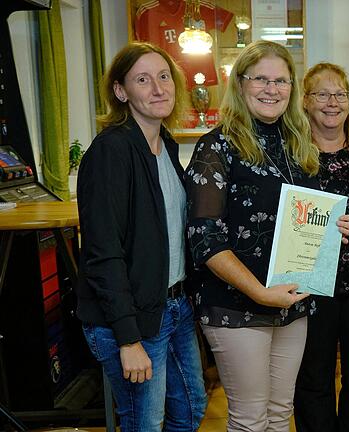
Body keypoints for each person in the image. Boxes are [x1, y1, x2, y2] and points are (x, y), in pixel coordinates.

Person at [184, 41, 349, 431]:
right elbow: (205, 239)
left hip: (292, 300)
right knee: (249, 419)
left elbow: (307, 215)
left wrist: (332, 229)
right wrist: (260, 293)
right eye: (261, 79)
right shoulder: (217, 146)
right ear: (239, 83)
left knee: (280, 413)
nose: (271, 89)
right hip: (236, 305)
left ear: (292, 88)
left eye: (281, 80)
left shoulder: (297, 143)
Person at [76, 42, 207, 431]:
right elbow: (102, 253)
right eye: (143, 80)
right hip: (131, 318)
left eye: (164, 77)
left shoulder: (165, 144)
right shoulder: (111, 151)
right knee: (143, 424)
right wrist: (128, 340)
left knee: (190, 410)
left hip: (173, 307)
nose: (158, 88)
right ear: (121, 92)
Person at [293, 63, 349, 432]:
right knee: (313, 379)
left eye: (340, 94)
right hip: (308, 282)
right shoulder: (291, 153)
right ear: (306, 101)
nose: (333, 103)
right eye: (322, 94)